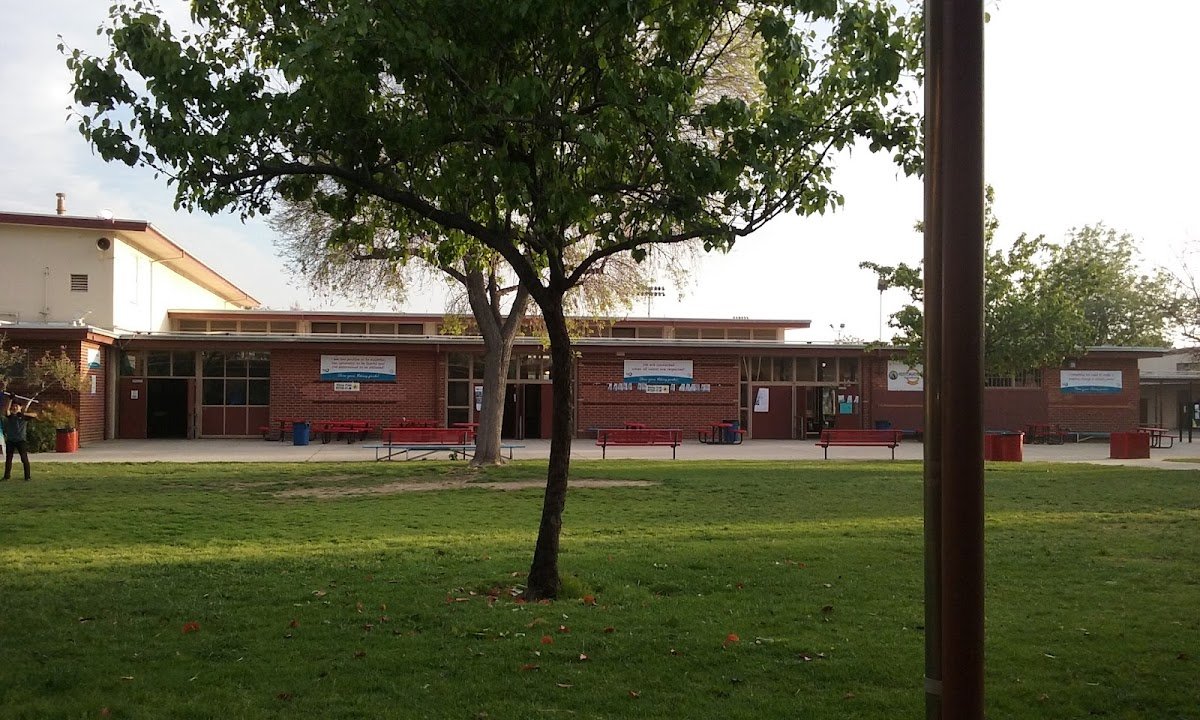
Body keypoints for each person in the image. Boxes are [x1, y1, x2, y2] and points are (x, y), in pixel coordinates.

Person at [3, 400, 35, 481]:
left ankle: (27, 477)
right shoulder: (10, 416)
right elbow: (7, 411)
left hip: (21, 440)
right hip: (11, 440)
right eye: (13, 406)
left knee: (24, 459)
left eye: (16, 406)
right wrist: (10, 399)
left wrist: (23, 414)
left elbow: (35, 415)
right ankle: (6, 477)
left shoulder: (24, 417)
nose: (14, 407)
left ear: (20, 407)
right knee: (9, 459)